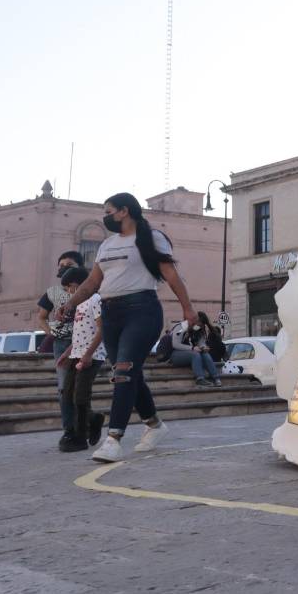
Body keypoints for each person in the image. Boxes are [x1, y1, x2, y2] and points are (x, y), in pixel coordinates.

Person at [58, 193, 197, 462]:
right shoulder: (107, 245)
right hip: (111, 313)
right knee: (129, 373)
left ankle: (113, 439)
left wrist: (188, 308)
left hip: (142, 310)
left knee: (123, 371)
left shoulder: (151, 238)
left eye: (108, 211)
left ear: (124, 211)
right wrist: (70, 304)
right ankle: (154, 425)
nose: (105, 217)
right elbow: (92, 283)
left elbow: (170, 275)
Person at [54, 268, 106, 452]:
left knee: (81, 397)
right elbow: (80, 334)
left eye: (71, 287)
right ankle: (94, 419)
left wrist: (88, 354)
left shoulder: (95, 300)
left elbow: (102, 329)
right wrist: (67, 353)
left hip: (92, 355)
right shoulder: (79, 305)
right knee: (67, 394)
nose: (69, 292)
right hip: (76, 354)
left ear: (82, 285)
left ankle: (81, 437)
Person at [36, 251, 84, 436]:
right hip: (62, 343)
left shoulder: (90, 290)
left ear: (79, 268)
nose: (64, 268)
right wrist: (52, 334)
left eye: (69, 265)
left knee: (81, 386)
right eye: (61, 265)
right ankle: (69, 429)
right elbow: (41, 317)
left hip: (85, 342)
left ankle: (84, 423)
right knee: (64, 387)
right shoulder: (52, 293)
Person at [169, 312, 225, 387]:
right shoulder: (181, 327)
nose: (199, 326)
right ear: (195, 320)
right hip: (174, 354)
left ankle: (216, 378)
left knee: (204, 354)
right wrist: (192, 348)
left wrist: (203, 347)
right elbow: (175, 344)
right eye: (199, 324)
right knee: (195, 354)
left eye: (201, 325)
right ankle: (200, 379)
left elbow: (200, 343)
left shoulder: (197, 330)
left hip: (188, 354)